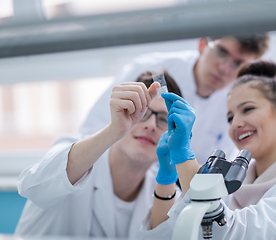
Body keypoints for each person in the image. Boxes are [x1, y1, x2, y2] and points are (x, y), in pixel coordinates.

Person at [142, 61, 276, 239]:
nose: (236, 124)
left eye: (248, 109)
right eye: (230, 118)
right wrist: (166, 178)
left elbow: (222, 233)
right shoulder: (231, 189)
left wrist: (183, 154)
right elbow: (169, 235)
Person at [15, 71, 183, 239]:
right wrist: (114, 130)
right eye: (143, 112)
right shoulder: (74, 151)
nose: (151, 125)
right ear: (126, 109)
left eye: (163, 119)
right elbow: (33, 188)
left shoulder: (165, 192)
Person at [80, 35, 270, 164]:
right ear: (202, 44)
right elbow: (93, 130)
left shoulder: (234, 103)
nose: (224, 68)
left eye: (238, 63)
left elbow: (215, 165)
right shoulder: (152, 72)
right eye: (221, 52)